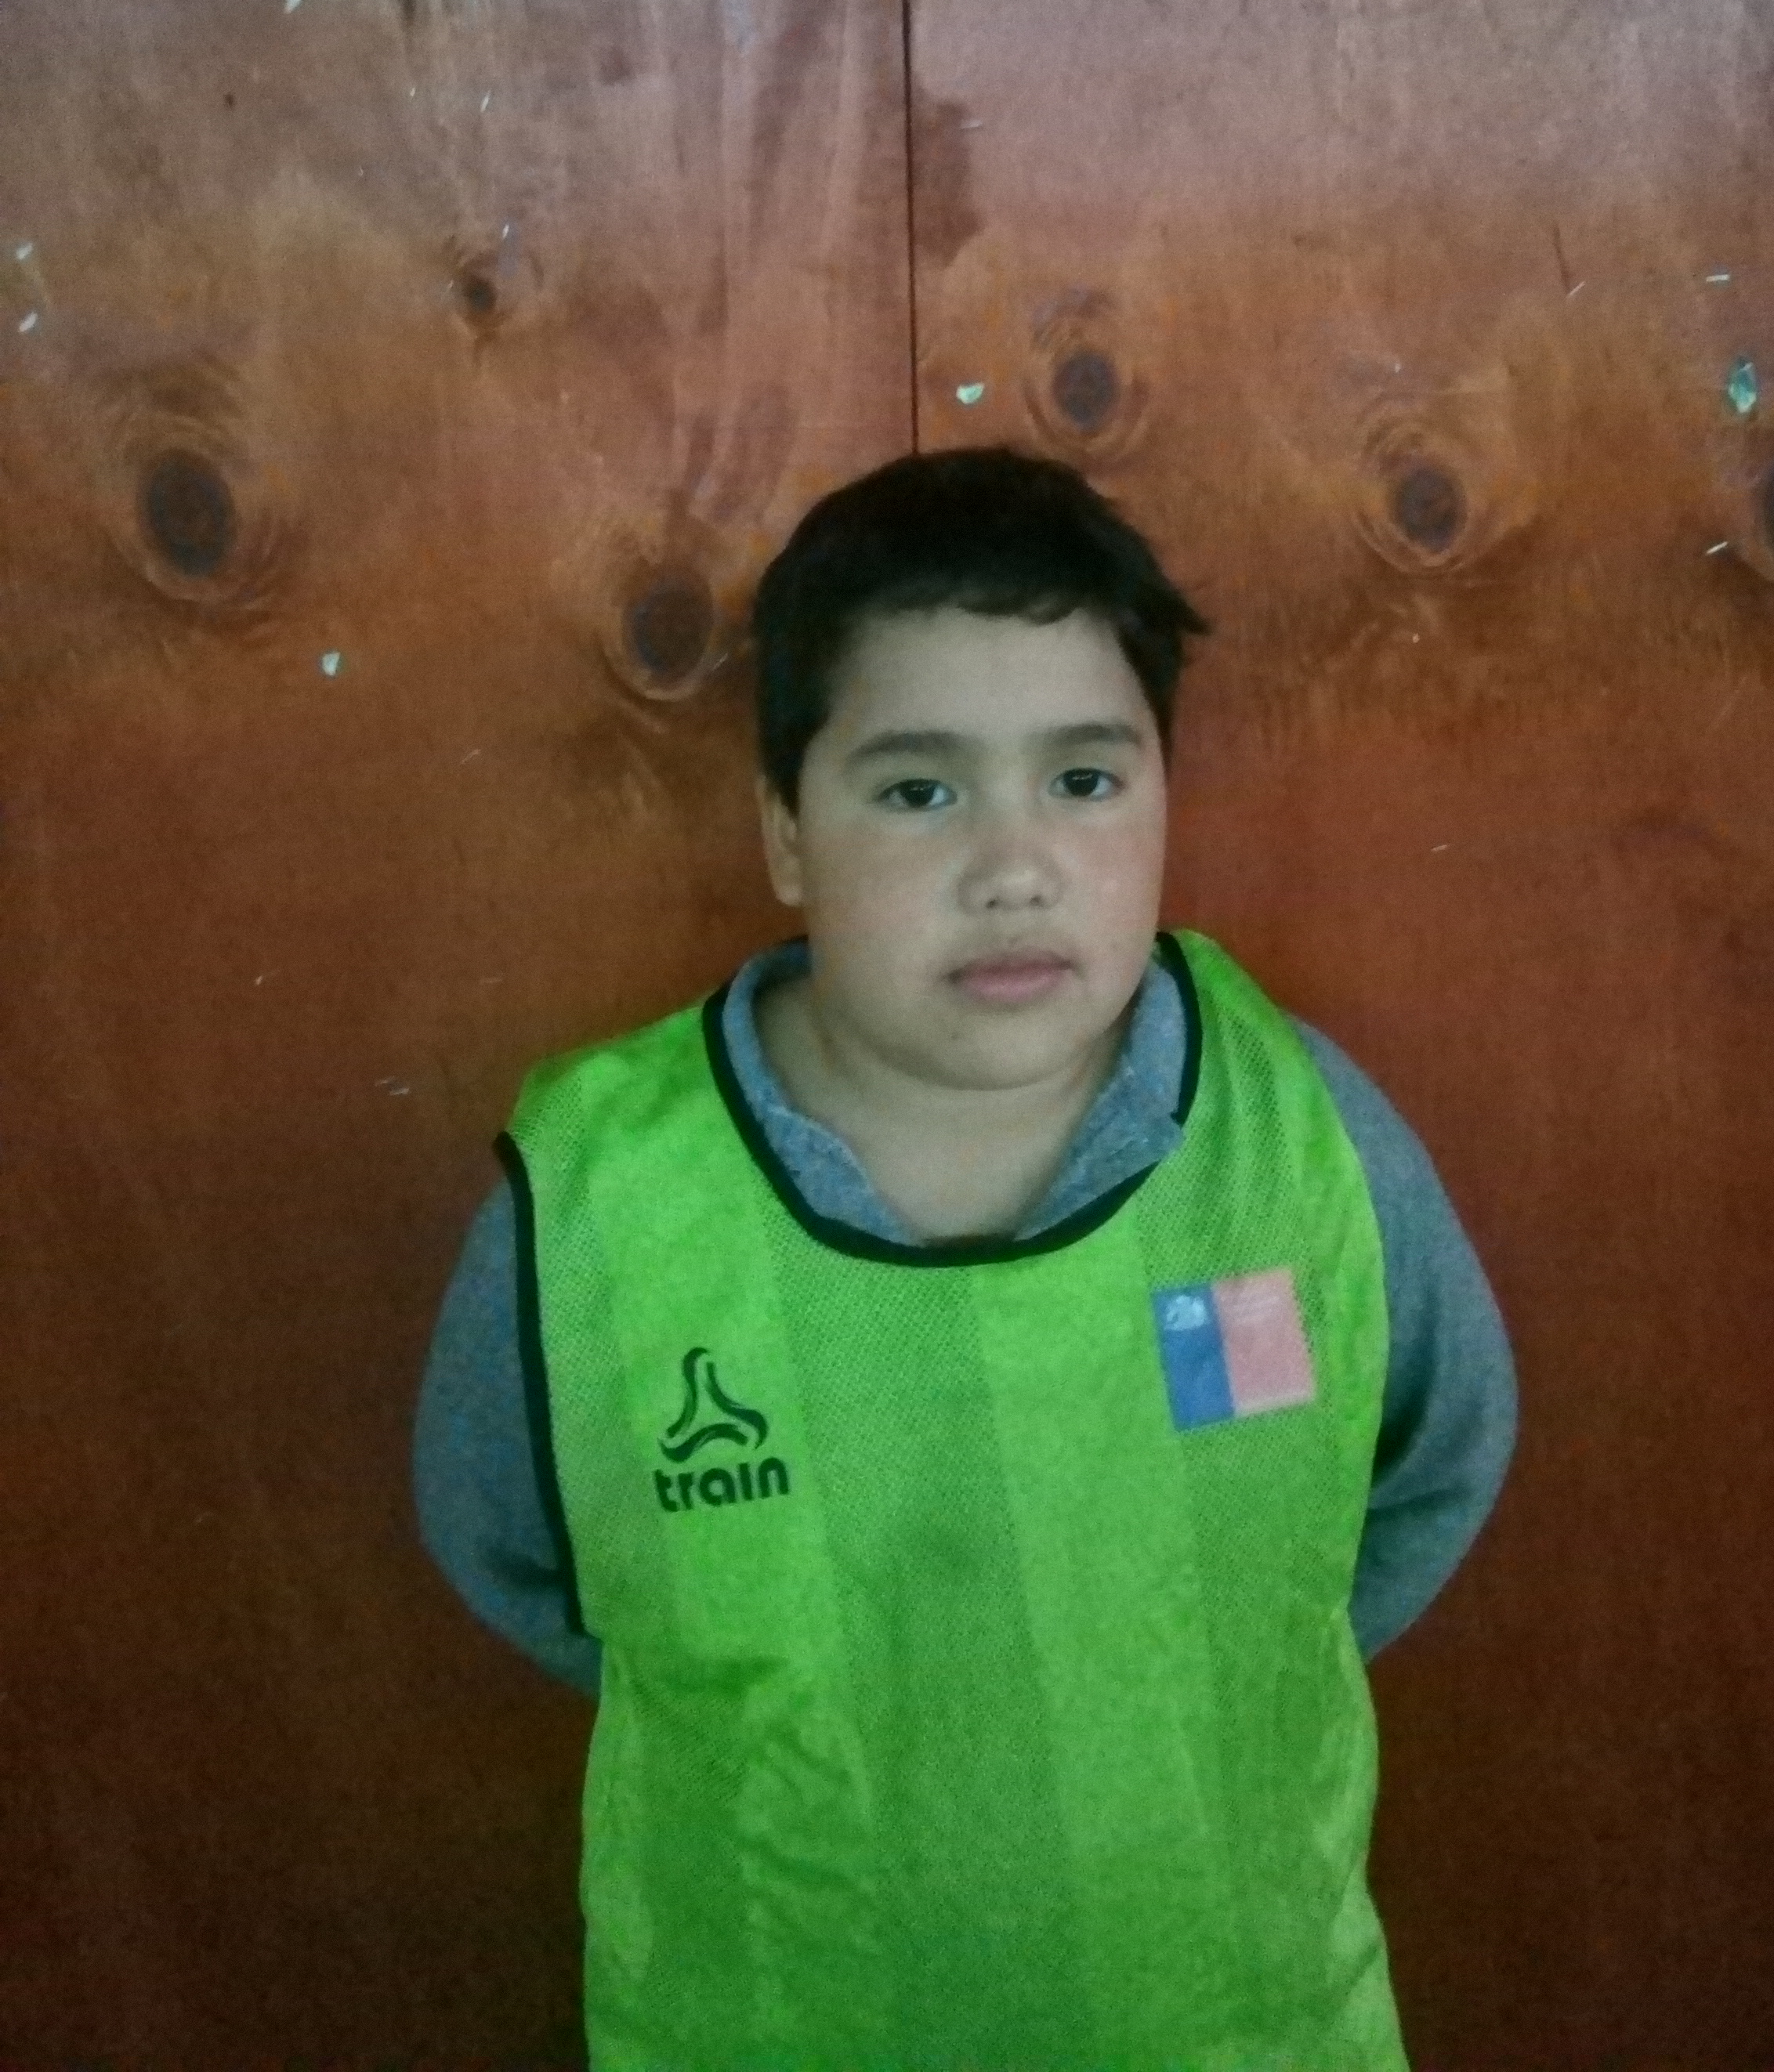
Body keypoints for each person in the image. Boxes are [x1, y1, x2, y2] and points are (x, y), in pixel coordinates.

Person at [415, 446, 1516, 2072]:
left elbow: (1428, 1459)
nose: (1014, 868)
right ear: (788, 832)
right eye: (919, 791)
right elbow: (523, 1557)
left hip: (1237, 2026)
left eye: (1084, 781)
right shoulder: (600, 1197)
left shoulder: (1298, 1145)